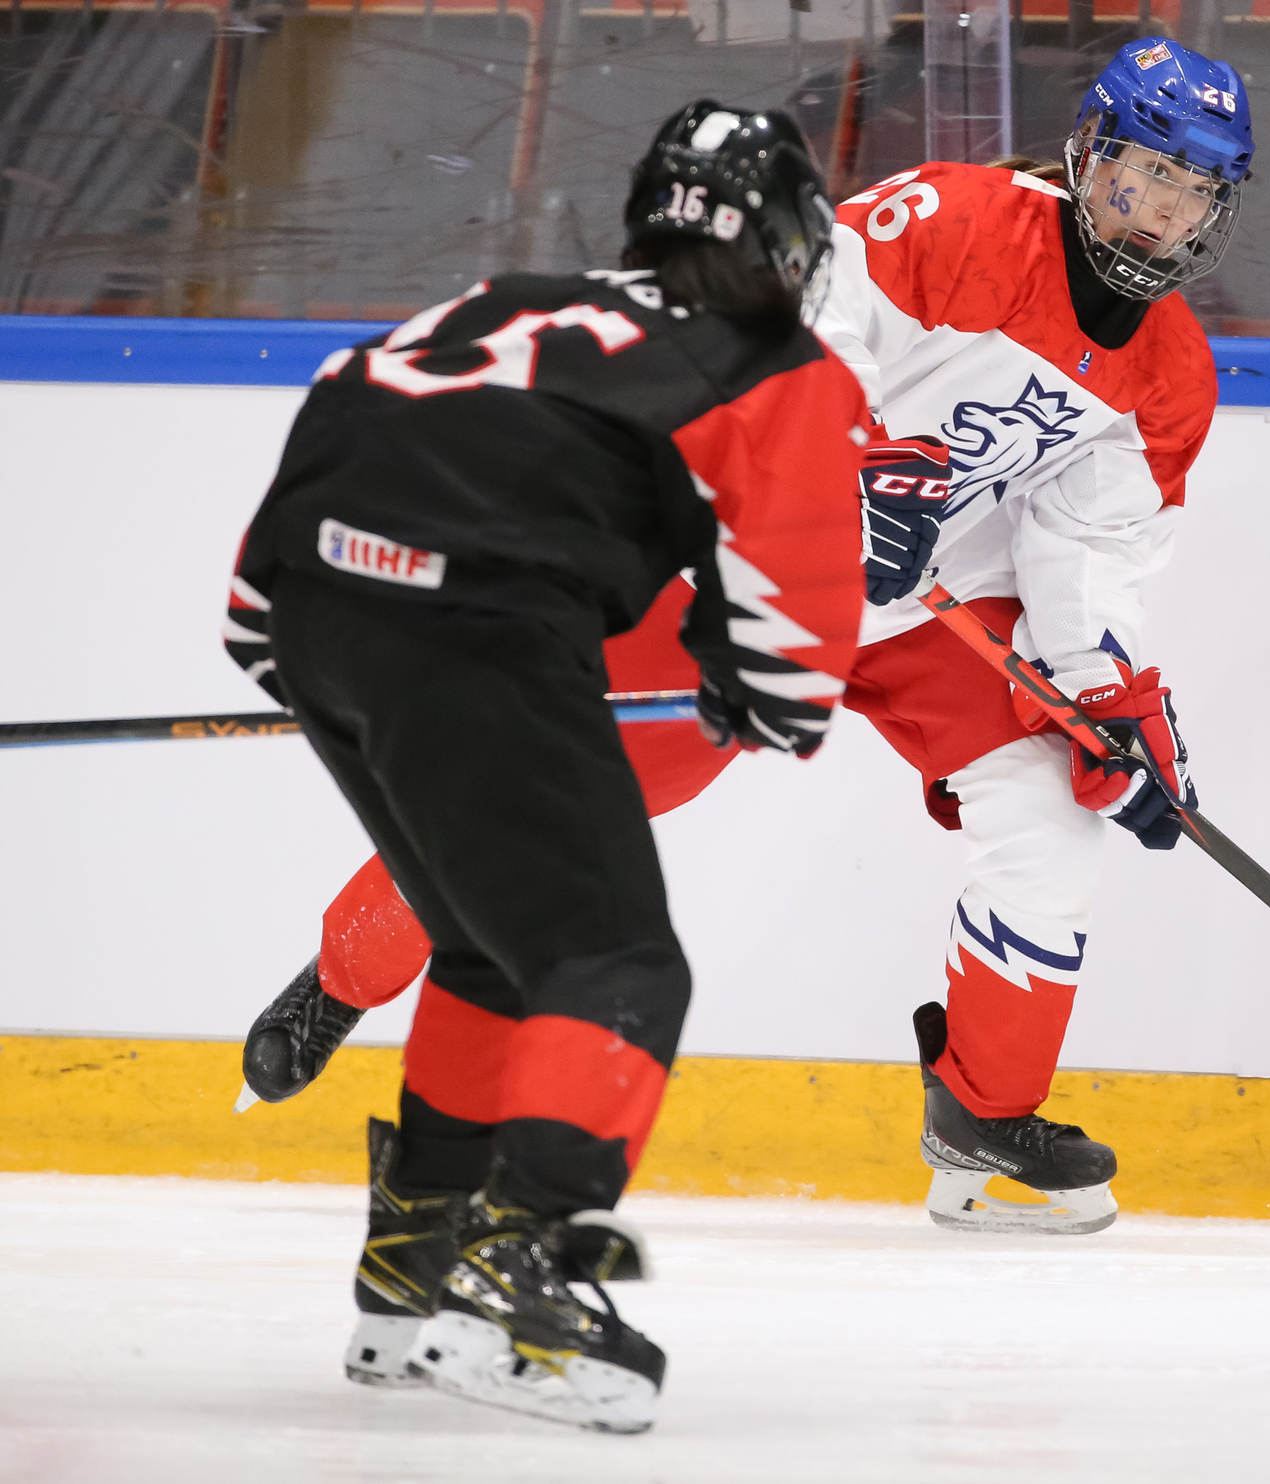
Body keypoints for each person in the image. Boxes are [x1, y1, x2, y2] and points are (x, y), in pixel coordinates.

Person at [239, 35, 1255, 1238]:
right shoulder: (960, 222)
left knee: (1047, 808)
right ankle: (345, 975)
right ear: (1089, 154)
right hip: (757, 558)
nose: (1157, 216)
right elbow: (781, 320)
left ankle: (983, 1119)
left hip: (929, 603)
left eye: (1189, 193)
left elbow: (1085, 548)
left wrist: (1101, 695)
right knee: (553, 791)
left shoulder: (1172, 374)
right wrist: (832, 472)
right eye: (1141, 176)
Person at [222, 102, 875, 1432]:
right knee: (618, 965)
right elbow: (796, 664)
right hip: (476, 628)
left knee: (480, 944)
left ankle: (408, 1273)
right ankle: (514, 1265)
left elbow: (344, 415)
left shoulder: (513, 295)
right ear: (793, 242)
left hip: (311, 601)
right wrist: (746, 689)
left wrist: (311, 639)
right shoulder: (771, 358)